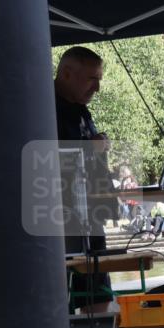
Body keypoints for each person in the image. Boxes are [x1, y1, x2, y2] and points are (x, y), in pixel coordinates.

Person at [55, 46, 117, 313]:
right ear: (67, 74)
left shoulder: (81, 110)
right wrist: (88, 148)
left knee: (97, 292)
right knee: (61, 295)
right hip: (58, 217)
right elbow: (37, 157)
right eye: (93, 79)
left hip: (90, 212)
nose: (98, 88)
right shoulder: (38, 106)